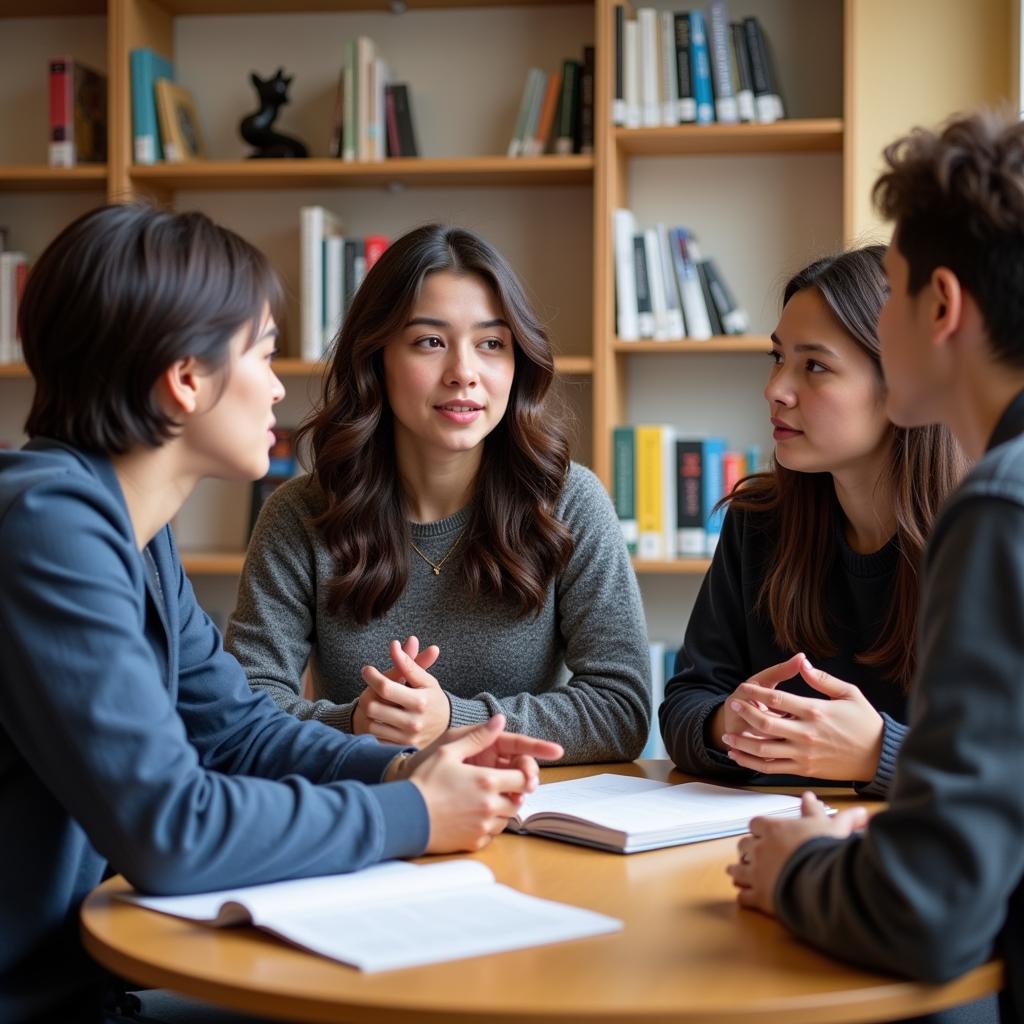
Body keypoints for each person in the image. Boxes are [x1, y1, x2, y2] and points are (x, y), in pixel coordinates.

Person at [0, 204, 563, 1024]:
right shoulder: (48, 528)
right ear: (186, 378)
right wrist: (413, 814)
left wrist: (405, 770)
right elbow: (173, 829)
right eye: (261, 352)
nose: (277, 383)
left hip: (88, 977)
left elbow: (234, 732)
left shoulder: (127, 529)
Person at [728, 110, 1024, 1023]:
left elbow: (930, 906)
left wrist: (800, 866)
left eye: (889, 291)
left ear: (941, 305)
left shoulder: (995, 510)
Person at [225, 224, 650, 764]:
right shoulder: (300, 514)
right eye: (430, 342)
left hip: (521, 818)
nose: (464, 373)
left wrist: (455, 720)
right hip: (367, 810)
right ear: (376, 357)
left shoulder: (568, 503)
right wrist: (355, 720)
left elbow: (622, 709)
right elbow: (242, 709)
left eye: (491, 344)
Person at [659, 245, 967, 795]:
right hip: (767, 842)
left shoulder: (987, 536)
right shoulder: (757, 523)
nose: (775, 389)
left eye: (815, 366)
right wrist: (729, 724)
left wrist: (880, 753)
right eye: (778, 358)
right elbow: (685, 704)